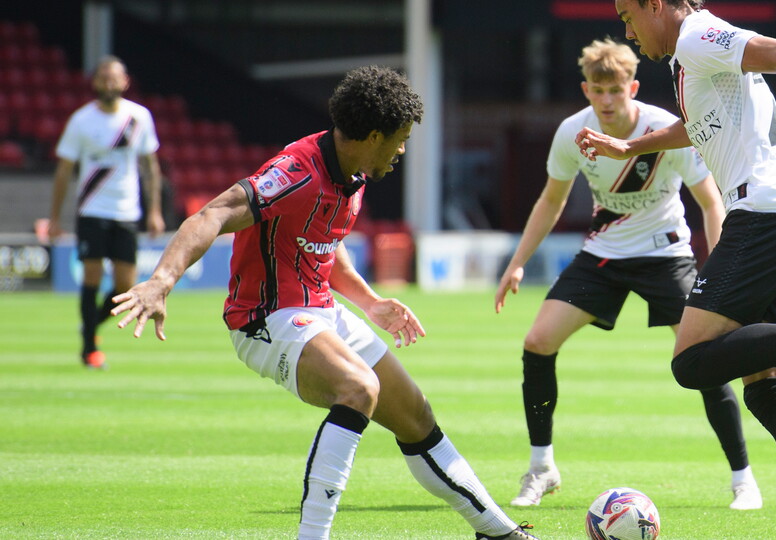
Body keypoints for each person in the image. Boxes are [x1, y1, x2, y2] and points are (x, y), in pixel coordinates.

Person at [110, 66, 537, 540]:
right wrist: (160, 281)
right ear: (373, 135)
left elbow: (323, 246)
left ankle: (498, 531)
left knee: (415, 414)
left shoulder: (352, 172)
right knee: (359, 388)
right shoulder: (297, 171)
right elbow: (214, 213)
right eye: (398, 140)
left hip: (320, 312)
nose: (401, 151)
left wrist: (371, 302)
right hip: (266, 319)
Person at [575, 1, 776, 538]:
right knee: (767, 388)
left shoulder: (696, 36)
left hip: (765, 214)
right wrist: (632, 146)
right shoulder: (697, 57)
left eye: (629, 15)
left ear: (657, 5)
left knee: (691, 363)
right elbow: (700, 127)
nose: (626, 30)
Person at [494, 37, 762, 511]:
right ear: (586, 91)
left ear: (632, 87)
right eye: (598, 92)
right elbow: (551, 201)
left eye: (615, 90)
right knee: (537, 342)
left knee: (705, 356)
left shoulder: (665, 129)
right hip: (603, 255)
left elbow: (709, 201)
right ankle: (541, 468)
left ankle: (744, 480)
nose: (607, 100)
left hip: (666, 254)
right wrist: (516, 263)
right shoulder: (571, 133)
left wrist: (719, 274)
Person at [48, 55, 165, 369]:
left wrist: (154, 210)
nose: (110, 83)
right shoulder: (81, 120)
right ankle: (89, 349)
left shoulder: (139, 117)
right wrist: (55, 217)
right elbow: (64, 170)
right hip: (92, 209)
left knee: (126, 286)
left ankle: (89, 326)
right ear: (96, 82)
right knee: (92, 277)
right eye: (104, 77)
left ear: (125, 82)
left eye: (115, 78)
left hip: (127, 211)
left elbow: (150, 166)